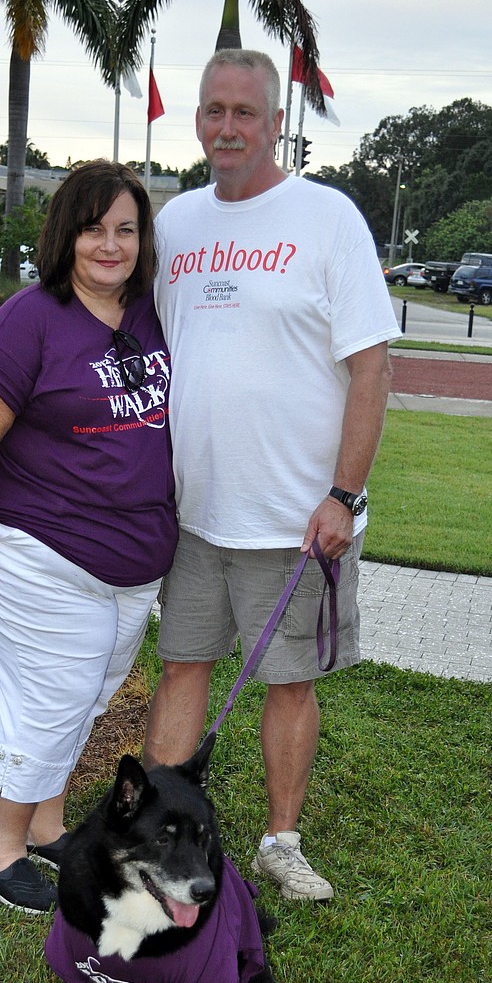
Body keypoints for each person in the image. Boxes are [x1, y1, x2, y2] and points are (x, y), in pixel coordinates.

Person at [142, 49, 401, 902]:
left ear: (274, 121)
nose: (225, 127)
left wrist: (343, 493)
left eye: (242, 112)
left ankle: (279, 843)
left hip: (296, 518)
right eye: (211, 110)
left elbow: (372, 368)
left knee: (288, 682)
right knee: (182, 667)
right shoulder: (175, 224)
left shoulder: (327, 218)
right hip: (193, 515)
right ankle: (163, 833)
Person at [0, 160, 176, 914]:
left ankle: (46, 823)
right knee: (54, 694)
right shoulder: (30, 319)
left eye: (126, 230)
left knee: (92, 696)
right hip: (34, 547)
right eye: (91, 229)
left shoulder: (143, 312)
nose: (109, 245)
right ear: (64, 235)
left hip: (128, 561)